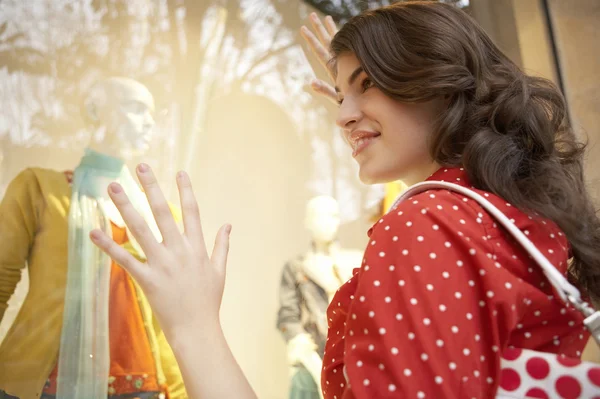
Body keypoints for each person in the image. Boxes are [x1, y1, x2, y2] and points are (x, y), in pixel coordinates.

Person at [89, 2, 600, 398]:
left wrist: (192, 324)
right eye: (338, 96)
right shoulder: (511, 216)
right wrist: (380, 111)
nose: (342, 116)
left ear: (439, 83)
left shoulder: (427, 226)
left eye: (369, 82)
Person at [0, 77, 185, 399]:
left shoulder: (160, 214)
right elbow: (2, 277)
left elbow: (176, 310)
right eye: (137, 108)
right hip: (46, 381)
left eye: (153, 112)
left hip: (145, 382)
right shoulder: (41, 190)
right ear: (97, 111)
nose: (149, 122)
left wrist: (185, 388)